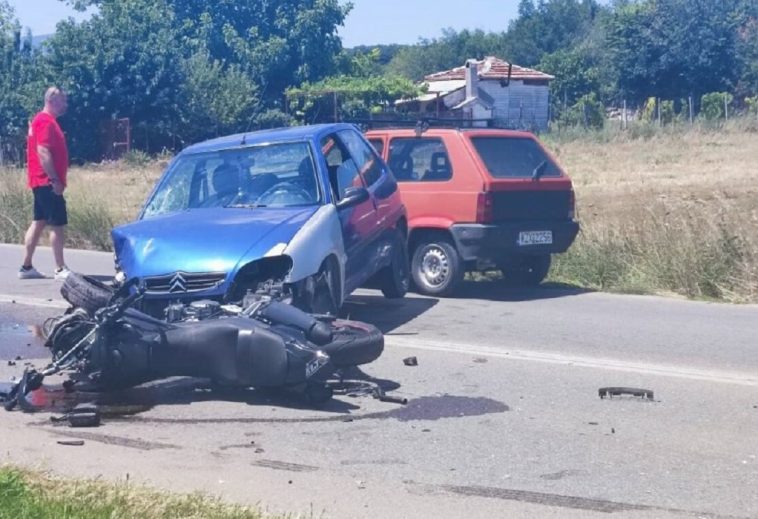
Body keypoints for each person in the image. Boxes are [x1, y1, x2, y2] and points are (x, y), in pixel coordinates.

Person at [18, 87, 71, 280]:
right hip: (46, 181)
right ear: (51, 100)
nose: (65, 105)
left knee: (39, 222)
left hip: (40, 181)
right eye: (62, 101)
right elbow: (43, 151)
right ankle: (60, 268)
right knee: (57, 224)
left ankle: (26, 267)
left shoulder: (43, 121)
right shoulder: (45, 121)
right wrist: (54, 179)